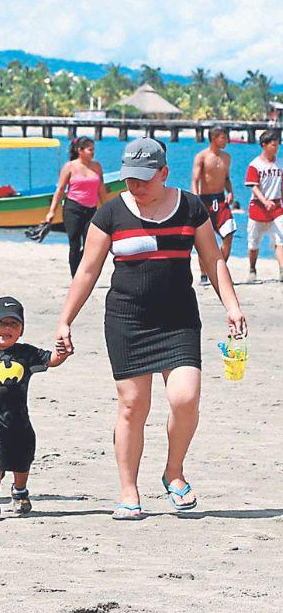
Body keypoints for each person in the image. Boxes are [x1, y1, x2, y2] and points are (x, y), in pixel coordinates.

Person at [55, 138, 248, 519]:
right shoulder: (110, 213)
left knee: (185, 397)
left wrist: (232, 306)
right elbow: (88, 271)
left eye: (145, 179)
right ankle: (129, 491)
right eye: (130, 179)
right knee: (132, 405)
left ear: (164, 173)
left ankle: (173, 472)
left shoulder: (191, 208)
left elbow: (212, 259)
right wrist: (65, 319)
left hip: (178, 319)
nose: (137, 186)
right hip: (128, 320)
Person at [0, 296, 69, 521]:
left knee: (23, 457)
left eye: (13, 324)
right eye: (1, 323)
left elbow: (51, 360)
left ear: (21, 330)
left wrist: (62, 352)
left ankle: (19, 490)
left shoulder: (26, 354)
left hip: (19, 420)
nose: (7, 329)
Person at [44, 137, 108, 276]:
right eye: (90, 150)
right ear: (80, 150)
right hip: (73, 209)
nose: (93, 153)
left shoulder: (96, 166)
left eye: (93, 150)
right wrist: (51, 212)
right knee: (74, 244)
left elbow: (101, 189)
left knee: (89, 245)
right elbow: (60, 189)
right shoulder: (70, 166)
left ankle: (83, 271)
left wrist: (107, 209)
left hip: (91, 210)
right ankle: (76, 276)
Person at [191, 126, 236, 285]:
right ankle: (204, 274)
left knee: (229, 234)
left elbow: (227, 178)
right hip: (205, 200)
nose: (226, 141)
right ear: (214, 138)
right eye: (223, 138)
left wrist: (230, 192)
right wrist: (196, 200)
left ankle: (218, 269)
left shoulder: (227, 157)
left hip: (221, 200)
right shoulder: (202, 156)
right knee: (204, 240)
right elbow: (195, 180)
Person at [245, 128, 283, 283]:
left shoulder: (280, 163)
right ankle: (252, 269)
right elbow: (253, 186)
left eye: (278, 145)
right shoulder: (255, 165)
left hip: (277, 208)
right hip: (258, 208)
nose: (276, 148)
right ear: (264, 145)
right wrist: (264, 201)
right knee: (253, 243)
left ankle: (282, 270)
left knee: (281, 239)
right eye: (273, 145)